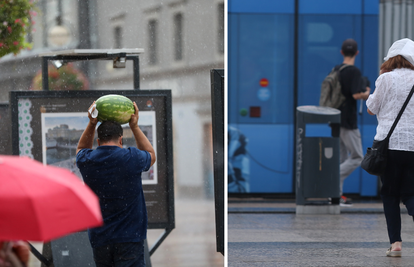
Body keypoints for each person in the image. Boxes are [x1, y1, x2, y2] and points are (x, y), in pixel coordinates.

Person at [76, 101, 156, 267]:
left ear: (98, 141)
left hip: (100, 238)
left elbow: (81, 148)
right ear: (121, 140)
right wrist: (134, 126)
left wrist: (92, 123)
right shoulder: (131, 157)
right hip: (130, 237)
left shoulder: (88, 160)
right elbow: (151, 154)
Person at [366, 38, 414, 257]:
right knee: (411, 194)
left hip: (389, 146)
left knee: (390, 194)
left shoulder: (386, 79)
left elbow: (371, 108)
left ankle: (395, 244)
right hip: (412, 146)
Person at [335, 38, 371, 206]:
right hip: (349, 121)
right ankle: (331, 180)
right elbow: (355, 95)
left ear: (342, 52)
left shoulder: (337, 69)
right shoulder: (354, 71)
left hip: (335, 119)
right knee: (357, 157)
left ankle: (335, 196)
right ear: (357, 53)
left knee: (342, 159)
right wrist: (367, 93)